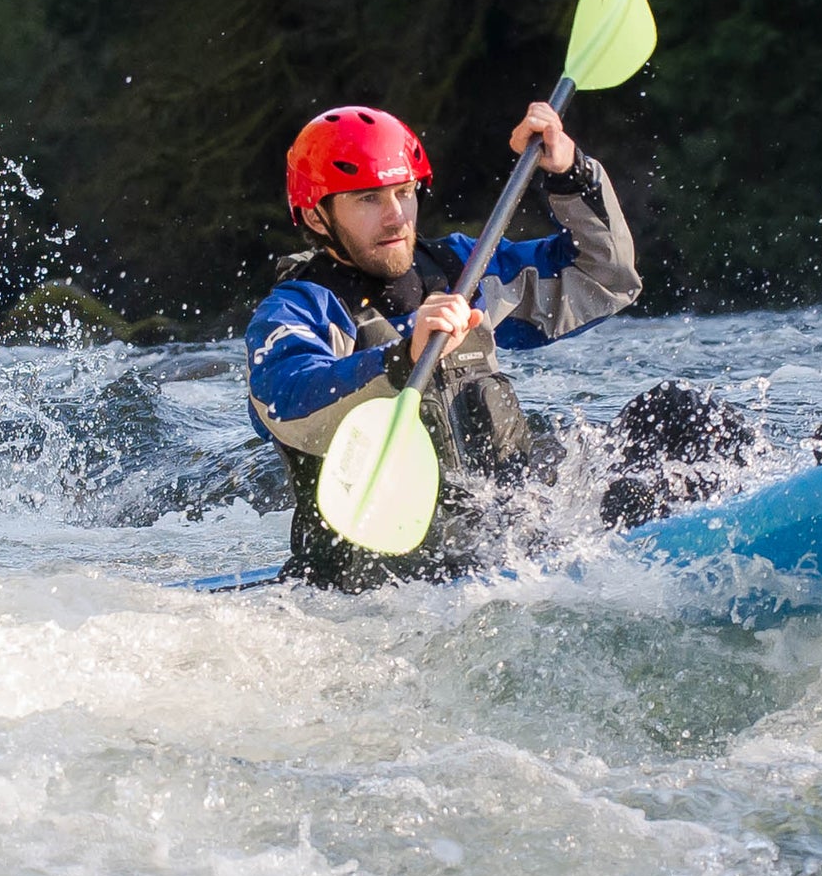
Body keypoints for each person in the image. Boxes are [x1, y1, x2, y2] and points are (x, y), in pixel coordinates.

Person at [249, 100, 639, 586]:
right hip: (381, 577)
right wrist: (400, 357)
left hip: (503, 543)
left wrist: (569, 173)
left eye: (405, 192)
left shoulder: (459, 271)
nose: (396, 217)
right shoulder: (296, 309)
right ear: (315, 216)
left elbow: (605, 279)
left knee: (670, 417)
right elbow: (286, 405)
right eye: (368, 199)